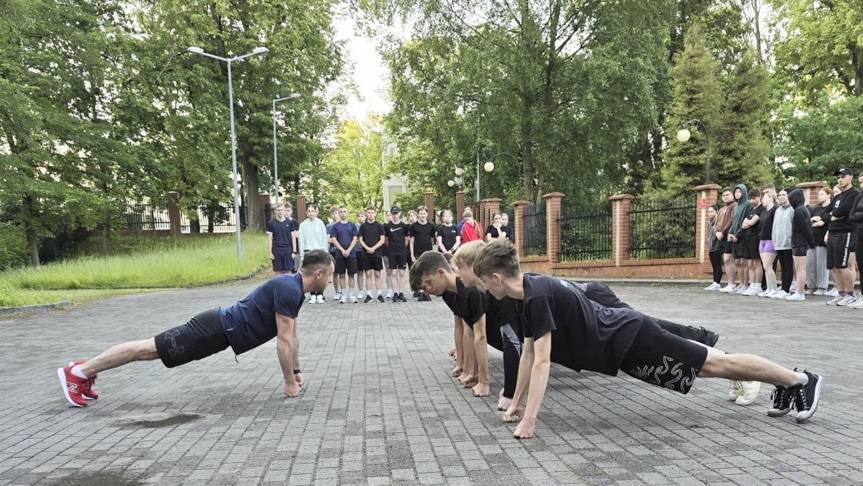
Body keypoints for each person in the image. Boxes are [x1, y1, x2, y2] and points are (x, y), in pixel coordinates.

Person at [472, 240, 823, 439]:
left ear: (497, 277)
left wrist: (529, 420)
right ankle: (788, 383)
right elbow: (529, 354)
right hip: (623, 348)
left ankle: (801, 379)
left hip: (632, 336)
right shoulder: (530, 289)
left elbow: (543, 361)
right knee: (708, 369)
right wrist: (515, 404)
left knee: (715, 363)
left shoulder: (536, 295)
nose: (484, 291)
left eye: (484, 283)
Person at [446, 241, 724, 411]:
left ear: (477, 268)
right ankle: (705, 348)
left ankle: (700, 338)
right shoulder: (501, 290)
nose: (457, 274)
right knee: (653, 334)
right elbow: (521, 345)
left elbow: (516, 347)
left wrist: (510, 396)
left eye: (460, 267)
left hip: (595, 296)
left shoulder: (506, 289)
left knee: (651, 328)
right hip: (596, 316)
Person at [57, 250, 335, 407]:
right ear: (319, 272)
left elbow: (292, 337)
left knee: (150, 351)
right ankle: (78, 372)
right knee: (147, 350)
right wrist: (288, 382)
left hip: (218, 331)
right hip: (214, 329)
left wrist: (296, 373)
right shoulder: (289, 288)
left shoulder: (294, 290)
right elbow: (284, 341)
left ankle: (85, 370)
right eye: (331, 275)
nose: (331, 281)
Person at [826, 168, 860, 306]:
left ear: (850, 177)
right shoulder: (838, 196)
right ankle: (840, 294)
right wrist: (832, 216)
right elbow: (826, 212)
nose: (839, 179)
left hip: (844, 232)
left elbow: (843, 211)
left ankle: (850, 294)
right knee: (833, 267)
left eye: (842, 176)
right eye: (838, 177)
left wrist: (833, 215)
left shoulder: (854, 194)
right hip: (832, 232)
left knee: (842, 265)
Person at [786, 189, 815, 301]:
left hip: (799, 243)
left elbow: (805, 229)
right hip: (801, 243)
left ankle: (800, 292)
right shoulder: (803, 209)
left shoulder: (798, 211)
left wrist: (811, 242)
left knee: (800, 269)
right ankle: (799, 291)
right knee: (799, 268)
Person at [299, 205, 330, 303]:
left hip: (319, 251)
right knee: (311, 274)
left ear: (316, 212)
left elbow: (324, 238)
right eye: (309, 211)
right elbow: (301, 240)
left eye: (313, 211)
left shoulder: (320, 223)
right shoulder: (303, 225)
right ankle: (312, 295)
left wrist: (325, 252)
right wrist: (302, 254)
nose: (311, 213)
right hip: (308, 251)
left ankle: (320, 294)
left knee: (320, 274)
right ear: (306, 213)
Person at [329, 206, 359, 304]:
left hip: (351, 254)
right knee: (341, 275)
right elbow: (334, 239)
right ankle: (344, 295)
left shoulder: (352, 225)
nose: (342, 213)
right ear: (339, 213)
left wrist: (349, 250)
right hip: (339, 254)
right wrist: (342, 250)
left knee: (351, 275)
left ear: (348, 213)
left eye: (344, 211)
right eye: (341, 212)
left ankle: (351, 295)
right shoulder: (335, 226)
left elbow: (355, 239)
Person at [807, 188, 832, 296]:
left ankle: (822, 287)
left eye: (822, 194)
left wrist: (821, 220)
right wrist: (817, 220)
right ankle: (812, 286)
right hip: (812, 240)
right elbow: (811, 221)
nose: (819, 196)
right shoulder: (816, 208)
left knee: (822, 265)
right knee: (810, 265)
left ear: (828, 195)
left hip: (823, 241)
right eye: (819, 194)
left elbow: (828, 221)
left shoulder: (830, 208)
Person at [359, 207, 386, 303]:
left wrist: (373, 248)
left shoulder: (379, 226)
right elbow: (360, 239)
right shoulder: (363, 226)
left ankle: (379, 294)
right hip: (366, 253)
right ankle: (369, 294)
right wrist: (367, 248)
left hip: (377, 253)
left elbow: (382, 239)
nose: (370, 214)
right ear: (366, 214)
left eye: (372, 212)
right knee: (368, 274)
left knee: (377, 274)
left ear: (375, 214)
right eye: (369, 212)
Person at [739, 189, 764, 296]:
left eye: (754, 198)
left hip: (756, 238)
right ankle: (752, 284)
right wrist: (749, 222)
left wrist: (749, 222)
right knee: (749, 263)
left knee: (756, 262)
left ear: (759, 197)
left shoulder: (761, 209)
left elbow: (753, 222)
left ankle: (758, 285)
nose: (752, 201)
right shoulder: (751, 210)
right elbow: (743, 225)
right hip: (748, 239)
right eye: (751, 198)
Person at [409, 206, 436, 301]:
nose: (422, 215)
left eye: (424, 213)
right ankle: (420, 292)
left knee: (427, 273)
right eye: (420, 213)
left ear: (427, 214)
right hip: (417, 252)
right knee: (420, 273)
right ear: (418, 215)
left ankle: (427, 292)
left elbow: (432, 239)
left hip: (428, 252)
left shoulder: (431, 226)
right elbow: (411, 242)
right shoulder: (413, 226)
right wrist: (412, 255)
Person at [728, 184, 751, 294]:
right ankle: (741, 283)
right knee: (737, 261)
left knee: (743, 261)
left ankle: (746, 284)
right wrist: (730, 233)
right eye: (735, 192)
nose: (737, 194)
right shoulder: (736, 206)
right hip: (734, 237)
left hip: (743, 236)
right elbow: (733, 222)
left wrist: (737, 235)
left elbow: (745, 222)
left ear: (744, 192)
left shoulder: (748, 204)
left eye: (739, 192)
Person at [772, 189, 794, 298]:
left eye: (783, 194)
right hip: (778, 243)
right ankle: (783, 287)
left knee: (788, 266)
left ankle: (787, 289)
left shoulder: (792, 209)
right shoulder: (777, 210)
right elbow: (775, 227)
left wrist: (790, 239)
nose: (780, 196)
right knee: (783, 267)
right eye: (779, 195)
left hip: (788, 244)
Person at [757, 190, 780, 297]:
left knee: (767, 265)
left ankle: (774, 288)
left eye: (764, 197)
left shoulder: (775, 210)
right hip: (762, 239)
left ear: (770, 197)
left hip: (771, 240)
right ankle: (769, 288)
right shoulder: (763, 211)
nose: (762, 199)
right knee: (765, 266)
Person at [384, 206, 410, 302]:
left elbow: (407, 239)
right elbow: (386, 240)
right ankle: (395, 293)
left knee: (402, 273)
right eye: (393, 213)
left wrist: (403, 248)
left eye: (396, 213)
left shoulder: (404, 226)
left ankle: (401, 293)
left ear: (399, 213)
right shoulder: (387, 226)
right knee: (393, 273)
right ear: (391, 214)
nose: (395, 215)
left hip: (402, 252)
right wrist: (391, 248)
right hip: (391, 252)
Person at [266, 202, 299, 274]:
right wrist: (270, 253)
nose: (280, 212)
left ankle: (288, 285)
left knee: (289, 272)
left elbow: (293, 237)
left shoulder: (290, 222)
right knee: (278, 272)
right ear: (275, 211)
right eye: (278, 210)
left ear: (284, 211)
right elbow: (270, 239)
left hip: (288, 250)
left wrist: (294, 251)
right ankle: (279, 285)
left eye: (281, 210)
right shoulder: (271, 223)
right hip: (276, 250)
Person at [715, 188, 738, 292]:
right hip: (720, 237)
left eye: (727, 195)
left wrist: (723, 232)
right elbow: (716, 223)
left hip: (728, 235)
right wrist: (716, 232)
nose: (725, 197)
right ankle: (730, 283)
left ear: (732, 195)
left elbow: (731, 221)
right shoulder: (721, 209)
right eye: (723, 195)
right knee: (725, 260)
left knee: (728, 259)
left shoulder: (734, 206)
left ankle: (732, 283)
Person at [849, 171, 863, 308]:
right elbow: (851, 216)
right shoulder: (859, 196)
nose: (862, 184)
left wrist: (858, 215)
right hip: (859, 232)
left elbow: (855, 215)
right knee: (861, 264)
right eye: (860, 182)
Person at [704, 205, 724, 291]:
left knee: (717, 265)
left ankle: (717, 283)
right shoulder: (710, 222)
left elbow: (719, 232)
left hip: (718, 246)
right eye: (708, 211)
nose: (709, 213)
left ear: (717, 211)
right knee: (714, 266)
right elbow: (709, 234)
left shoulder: (718, 221)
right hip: (711, 246)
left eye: (711, 211)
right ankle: (714, 282)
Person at [326, 206, 341, 301]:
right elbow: (328, 239)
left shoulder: (343, 224)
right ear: (331, 215)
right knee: (335, 272)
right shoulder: (329, 226)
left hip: (343, 251)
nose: (335, 215)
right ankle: (337, 291)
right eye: (333, 213)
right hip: (333, 251)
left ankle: (344, 291)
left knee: (343, 273)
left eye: (337, 213)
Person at [355, 210, 368, 301]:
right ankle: (360, 291)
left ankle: (368, 291)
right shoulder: (354, 226)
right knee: (359, 272)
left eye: (362, 216)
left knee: (368, 272)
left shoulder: (368, 226)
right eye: (359, 216)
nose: (361, 218)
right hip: (357, 251)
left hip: (367, 251)